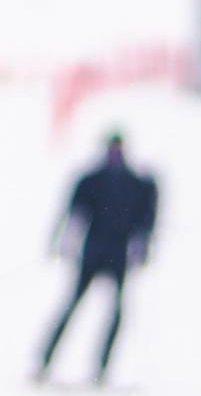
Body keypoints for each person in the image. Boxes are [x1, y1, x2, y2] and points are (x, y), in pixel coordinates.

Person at [39, 131, 159, 382]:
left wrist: (142, 244)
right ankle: (46, 361)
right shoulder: (92, 180)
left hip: (118, 254)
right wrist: (64, 239)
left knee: (115, 312)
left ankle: (101, 368)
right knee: (73, 306)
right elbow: (74, 211)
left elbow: (146, 219)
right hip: (93, 251)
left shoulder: (136, 183)